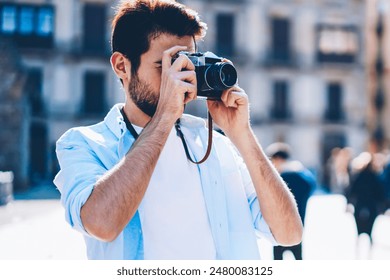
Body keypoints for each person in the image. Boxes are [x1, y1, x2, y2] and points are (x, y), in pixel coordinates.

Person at [54, 0, 302, 260]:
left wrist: (242, 134)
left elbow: (289, 233)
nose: (180, 77)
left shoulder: (217, 146)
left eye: (187, 64)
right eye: (166, 65)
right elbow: (101, 224)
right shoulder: (83, 144)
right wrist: (164, 118)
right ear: (121, 66)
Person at [266, 142, 316, 260]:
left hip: (279, 228)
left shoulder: (280, 177)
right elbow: (312, 185)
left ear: (278, 159)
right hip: (298, 226)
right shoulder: (303, 175)